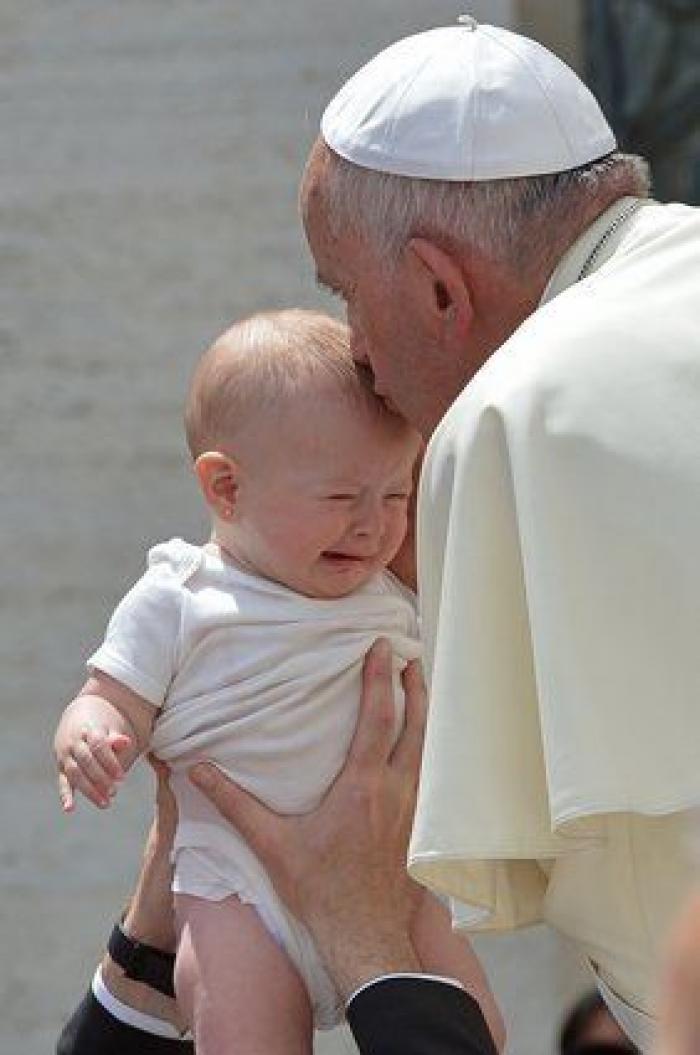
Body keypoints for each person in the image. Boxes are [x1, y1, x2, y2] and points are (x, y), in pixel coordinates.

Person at [59, 16, 700, 1055]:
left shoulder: (515, 412)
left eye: (346, 294)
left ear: (442, 287)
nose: (356, 355)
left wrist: (354, 922)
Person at [54, 309, 504, 1054]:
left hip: (389, 869)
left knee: (475, 1026)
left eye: (395, 495)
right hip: (238, 885)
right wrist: (93, 737)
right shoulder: (184, 595)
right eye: (341, 499)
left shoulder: (385, 592)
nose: (373, 526)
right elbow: (110, 694)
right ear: (226, 488)